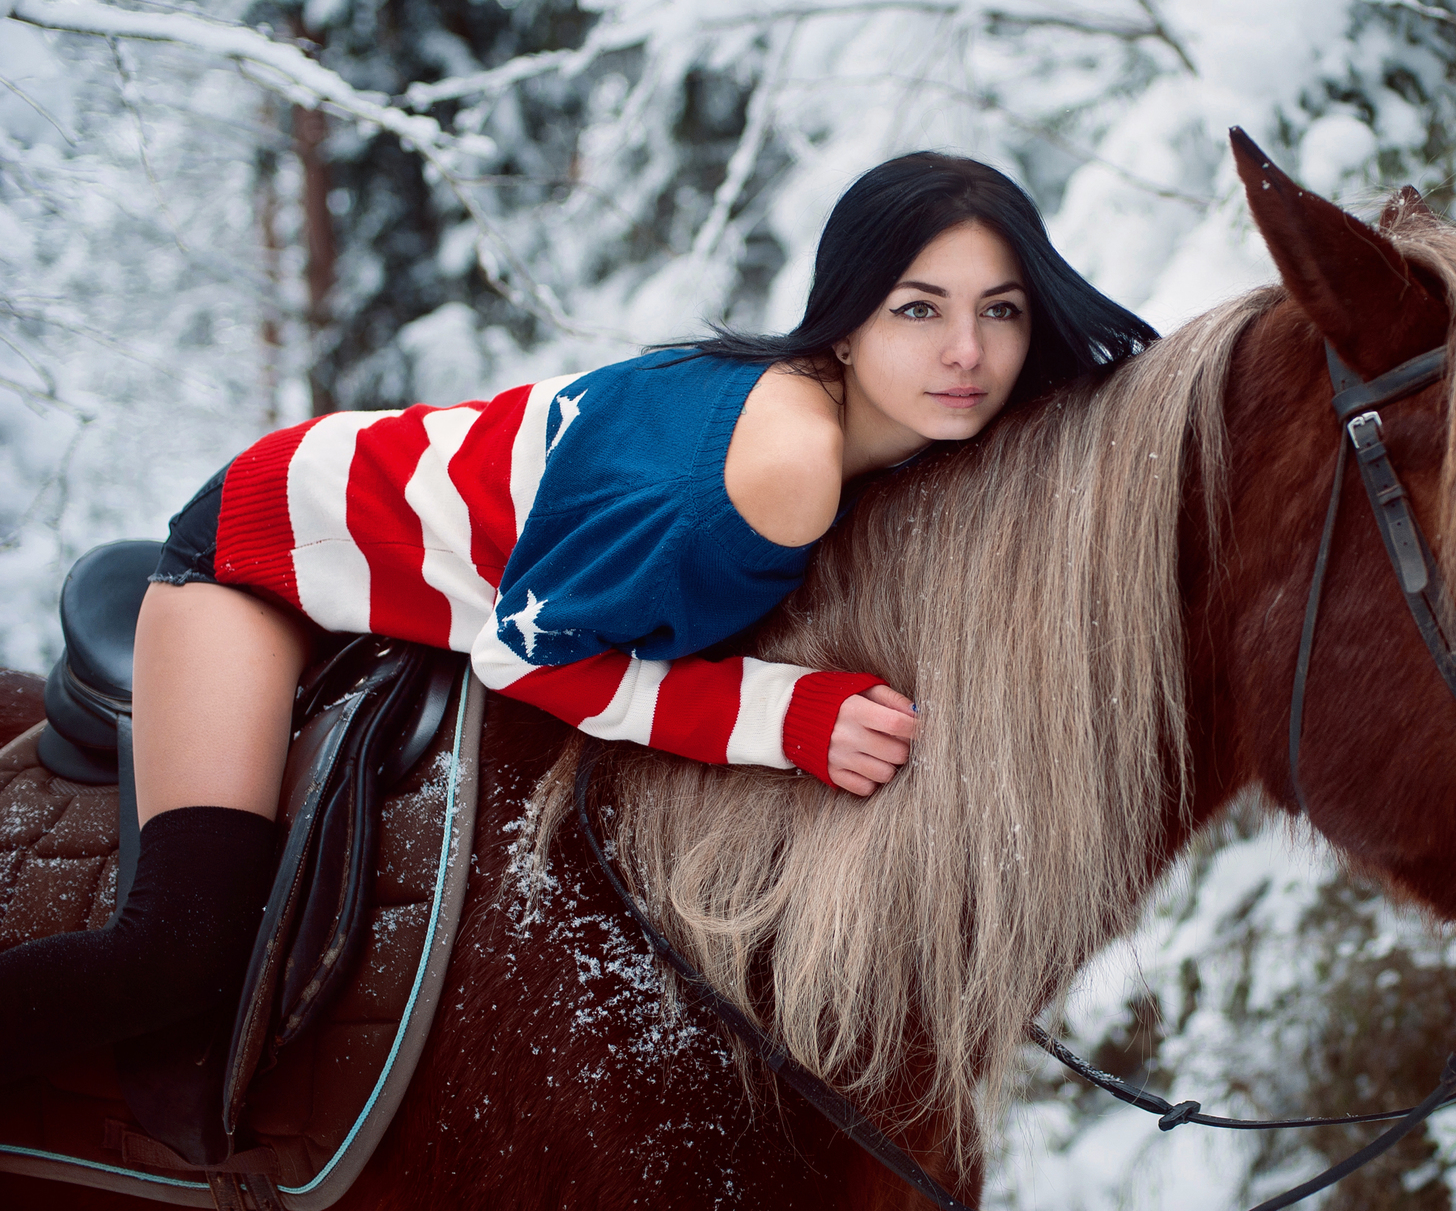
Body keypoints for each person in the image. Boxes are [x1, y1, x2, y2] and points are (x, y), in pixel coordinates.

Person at [0, 152, 1154, 1078]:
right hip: (270, 548)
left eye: (999, 311)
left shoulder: (871, 424)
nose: (967, 353)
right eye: (919, 308)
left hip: (421, 562)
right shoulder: (782, 466)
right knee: (175, 955)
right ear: (844, 322)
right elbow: (526, 657)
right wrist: (780, 718)